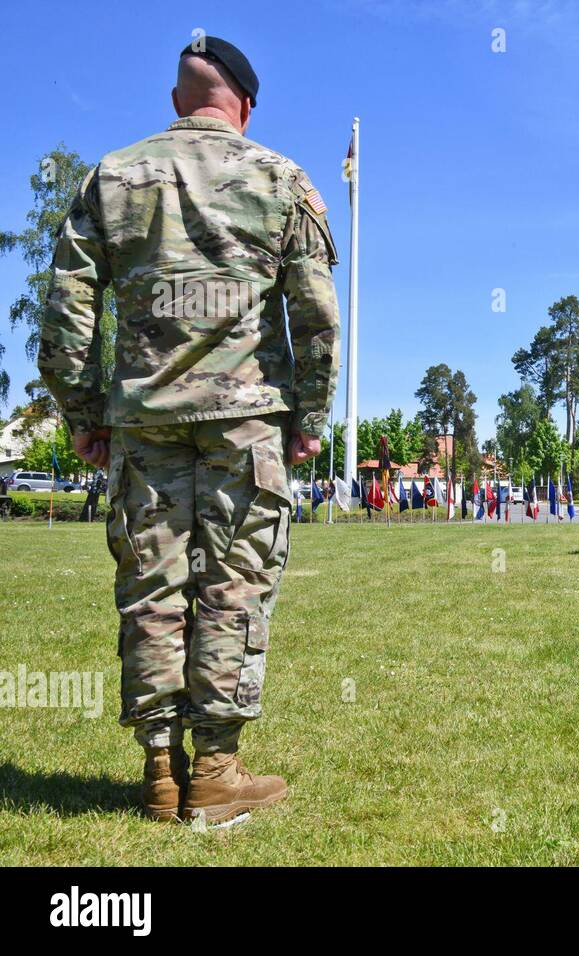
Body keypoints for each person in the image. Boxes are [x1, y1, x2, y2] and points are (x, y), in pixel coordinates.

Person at [38, 37, 340, 826]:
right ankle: (215, 768)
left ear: (178, 101)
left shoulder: (110, 177)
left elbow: (67, 308)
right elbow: (315, 315)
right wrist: (308, 419)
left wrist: (82, 415)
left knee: (152, 589)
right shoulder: (282, 179)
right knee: (235, 586)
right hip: (246, 422)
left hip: (144, 422)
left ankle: (159, 774)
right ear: (244, 104)